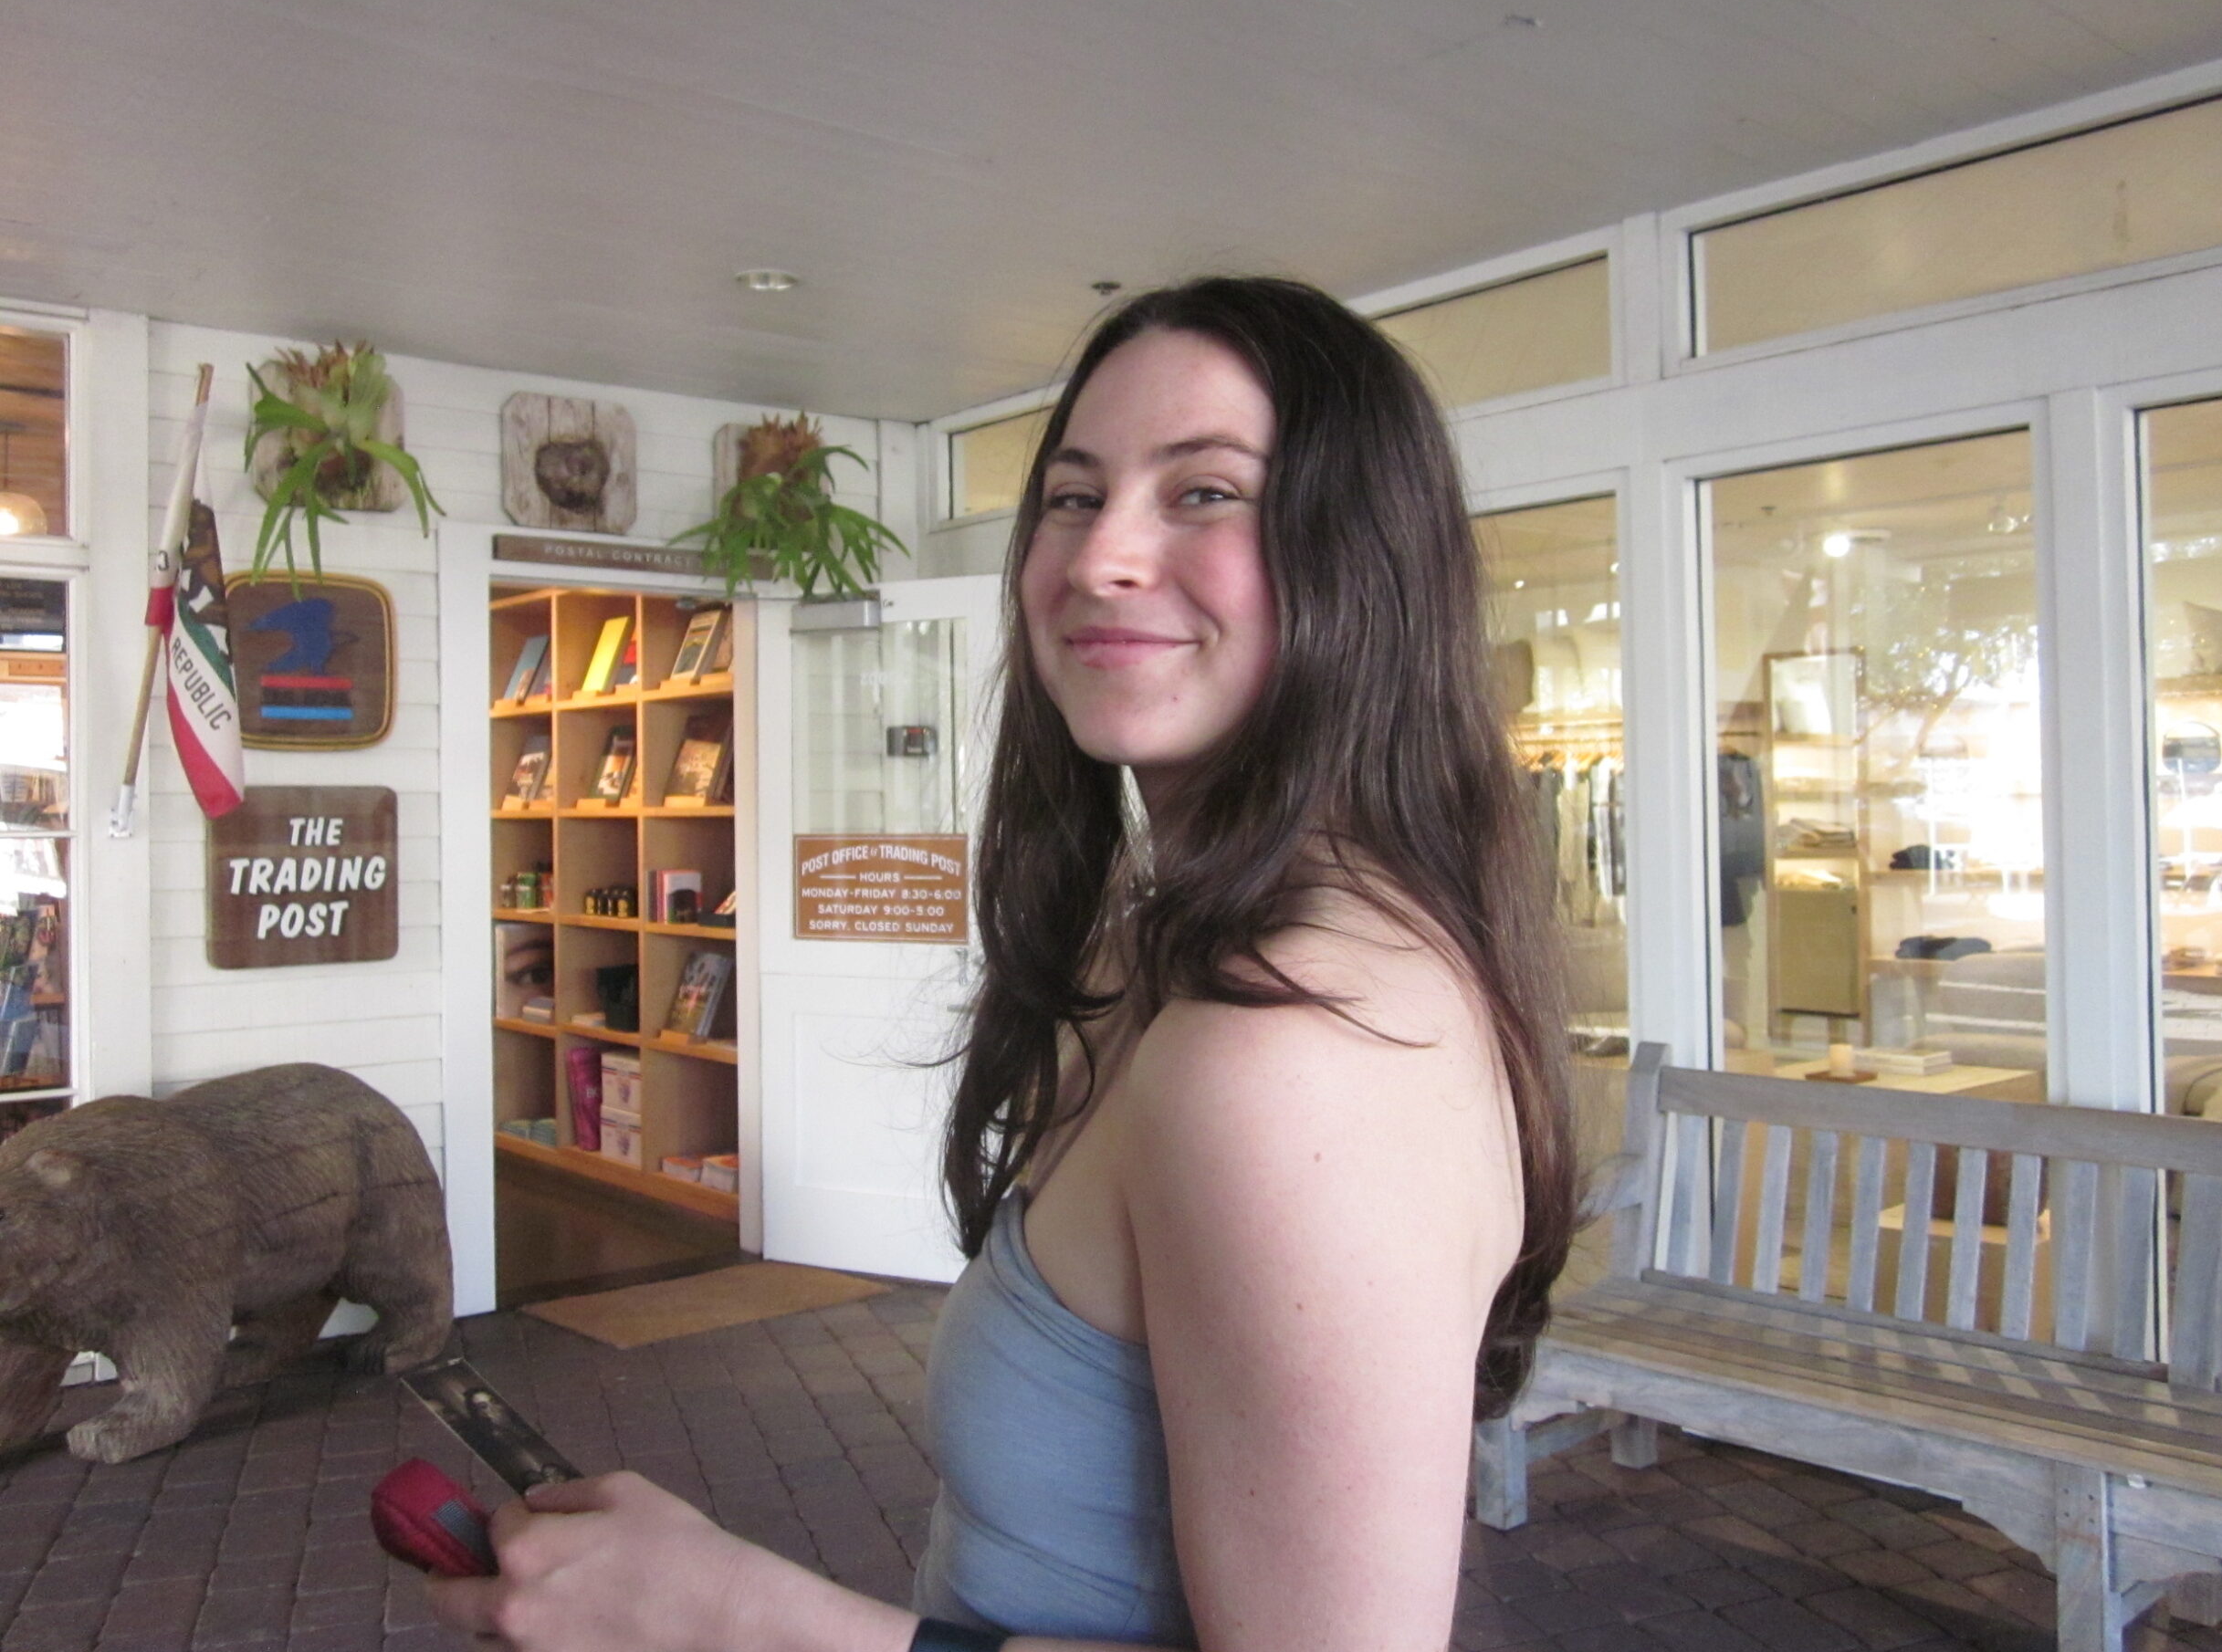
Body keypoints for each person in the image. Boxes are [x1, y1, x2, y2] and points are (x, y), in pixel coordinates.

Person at [429, 276, 1577, 1652]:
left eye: (1205, 493)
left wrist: (727, 1616)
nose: (1099, 559)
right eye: (1076, 496)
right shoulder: (1161, 939)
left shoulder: (1291, 1057)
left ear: (1366, 557)